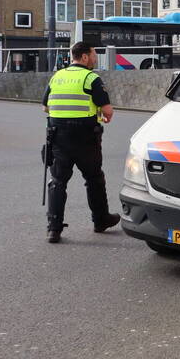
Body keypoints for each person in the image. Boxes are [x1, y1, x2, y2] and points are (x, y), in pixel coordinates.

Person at [42, 42, 120, 244]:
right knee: (94, 178)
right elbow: (108, 110)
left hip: (58, 137)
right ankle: (101, 220)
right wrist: (102, 115)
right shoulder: (91, 78)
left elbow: (45, 107)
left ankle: (54, 229)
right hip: (85, 138)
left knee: (58, 182)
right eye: (94, 54)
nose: (95, 58)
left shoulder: (57, 76)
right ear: (84, 57)